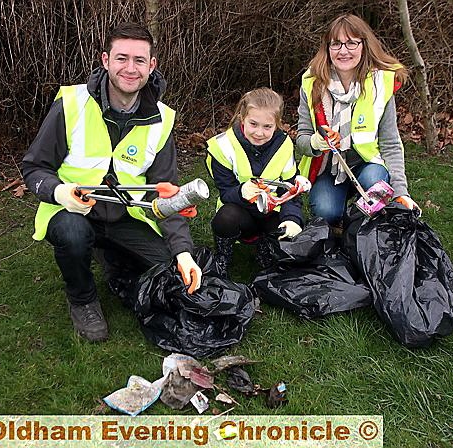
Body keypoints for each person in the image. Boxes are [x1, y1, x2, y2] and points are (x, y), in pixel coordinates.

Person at [22, 22, 202, 343]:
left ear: (152, 66)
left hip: (123, 216)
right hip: (72, 213)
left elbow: (168, 194)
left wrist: (183, 252)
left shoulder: (161, 120)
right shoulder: (72, 104)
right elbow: (34, 168)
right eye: (121, 58)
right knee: (73, 235)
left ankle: (109, 254)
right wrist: (59, 192)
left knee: (166, 266)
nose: (130, 69)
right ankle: (82, 298)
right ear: (105, 61)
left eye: (139, 60)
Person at [296, 14, 421, 230]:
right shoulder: (311, 83)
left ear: (364, 45)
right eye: (336, 44)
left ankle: (362, 220)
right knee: (326, 212)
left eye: (351, 43)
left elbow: (391, 144)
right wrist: (316, 142)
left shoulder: (380, 84)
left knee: (375, 182)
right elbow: (302, 139)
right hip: (330, 169)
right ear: (327, 48)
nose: (343, 51)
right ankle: (347, 215)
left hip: (367, 165)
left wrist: (401, 193)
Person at [206, 88, 304, 278]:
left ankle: (265, 250)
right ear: (242, 118)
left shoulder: (284, 145)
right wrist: (242, 191)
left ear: (277, 124)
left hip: (271, 213)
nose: (259, 132)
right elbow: (225, 192)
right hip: (239, 213)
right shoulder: (222, 146)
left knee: (287, 229)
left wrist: (292, 219)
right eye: (253, 124)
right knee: (226, 217)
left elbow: (292, 188)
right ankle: (223, 256)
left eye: (268, 127)